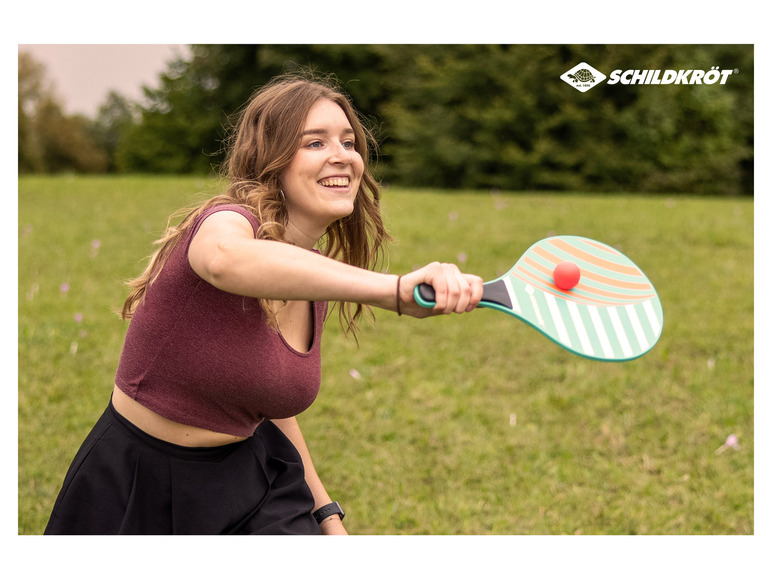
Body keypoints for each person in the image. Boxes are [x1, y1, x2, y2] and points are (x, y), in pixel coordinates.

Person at [45, 73, 483, 535]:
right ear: (272, 160)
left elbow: (267, 397)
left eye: (349, 142)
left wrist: (327, 516)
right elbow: (224, 260)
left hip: (253, 486)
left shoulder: (309, 273)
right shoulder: (225, 224)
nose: (342, 155)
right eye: (315, 143)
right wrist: (393, 292)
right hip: (141, 486)